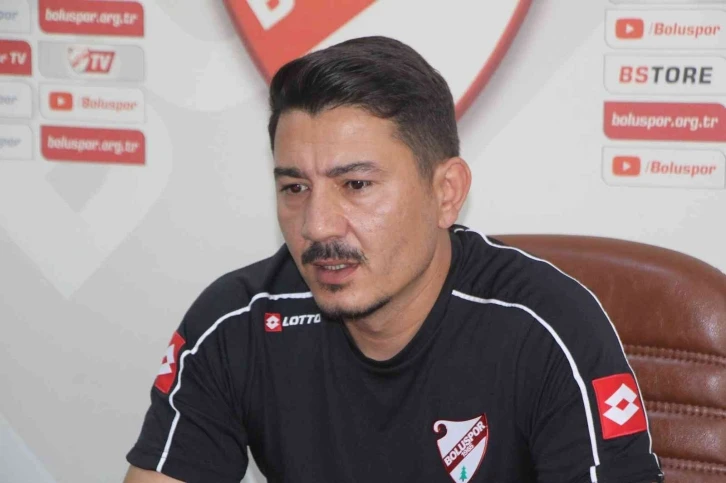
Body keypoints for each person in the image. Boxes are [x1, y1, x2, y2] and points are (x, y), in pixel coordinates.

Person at [123, 36, 664, 483]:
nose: (316, 226)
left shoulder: (550, 330)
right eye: (294, 188)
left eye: (356, 184)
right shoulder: (235, 324)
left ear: (446, 193)